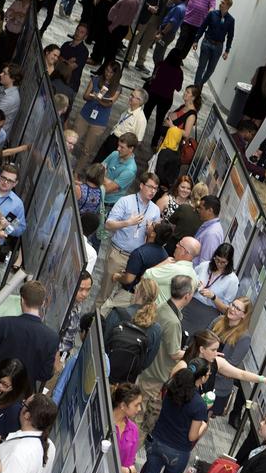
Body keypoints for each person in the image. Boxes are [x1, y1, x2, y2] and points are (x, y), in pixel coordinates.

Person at [131, 358, 211, 473]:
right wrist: (204, 425)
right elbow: (192, 436)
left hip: (156, 442)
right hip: (177, 452)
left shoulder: (171, 387)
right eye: (208, 374)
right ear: (202, 377)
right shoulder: (199, 404)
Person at [136, 272, 196, 434]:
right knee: (141, 418)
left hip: (148, 369)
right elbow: (174, 353)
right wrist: (193, 352)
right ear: (187, 296)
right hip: (155, 376)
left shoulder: (164, 307)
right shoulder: (173, 321)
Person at [0, 280, 60, 388]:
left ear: (22, 300)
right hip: (20, 395)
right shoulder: (52, 338)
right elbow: (44, 374)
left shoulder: (3, 323)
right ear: (43, 303)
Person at [97, 170, 160, 306]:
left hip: (136, 260)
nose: (153, 191)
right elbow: (108, 224)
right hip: (118, 254)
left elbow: (152, 240)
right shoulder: (126, 201)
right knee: (104, 294)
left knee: (122, 299)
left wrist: (151, 233)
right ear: (141, 186)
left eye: (155, 188)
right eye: (150, 187)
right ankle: (90, 324)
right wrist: (128, 222)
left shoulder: (155, 210)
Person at [210, 297, 253, 415]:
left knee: (204, 417)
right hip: (203, 374)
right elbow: (203, 339)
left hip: (219, 385)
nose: (232, 309)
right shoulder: (218, 320)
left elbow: (231, 365)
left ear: (244, 315)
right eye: (233, 305)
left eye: (238, 309)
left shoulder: (244, 337)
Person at [73, 60, 122, 164]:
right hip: (85, 115)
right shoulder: (95, 79)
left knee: (87, 149)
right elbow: (85, 96)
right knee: (73, 139)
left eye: (111, 72)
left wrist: (99, 99)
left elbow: (110, 103)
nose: (108, 74)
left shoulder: (117, 88)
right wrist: (92, 96)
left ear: (115, 75)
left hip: (99, 121)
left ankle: (77, 171)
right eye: (107, 70)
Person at [184, 243, 239, 334]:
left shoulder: (232, 280)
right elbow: (189, 279)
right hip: (190, 304)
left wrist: (213, 297)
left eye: (223, 262)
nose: (219, 264)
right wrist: (195, 284)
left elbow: (226, 310)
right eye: (217, 260)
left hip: (208, 313)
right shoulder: (205, 265)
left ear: (229, 262)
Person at [193, 0, 236, 87]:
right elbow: (203, 27)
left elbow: (230, 37)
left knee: (210, 70)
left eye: (223, 3)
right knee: (201, 67)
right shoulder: (212, 14)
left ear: (228, 6)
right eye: (221, 2)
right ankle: (196, 88)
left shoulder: (231, 20)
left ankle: (200, 85)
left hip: (218, 47)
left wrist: (227, 51)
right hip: (207, 43)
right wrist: (196, 40)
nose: (220, 4)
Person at [111, 383, 142, 473]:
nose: (139, 409)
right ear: (123, 405)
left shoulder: (133, 430)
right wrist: (126, 471)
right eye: (136, 405)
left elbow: (130, 464)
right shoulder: (104, 422)